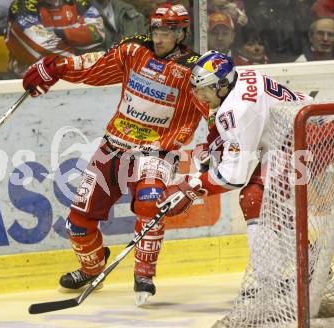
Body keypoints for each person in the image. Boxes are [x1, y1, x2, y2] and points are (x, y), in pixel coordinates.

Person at [21, 3, 208, 306]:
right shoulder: (133, 50)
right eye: (157, 30)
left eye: (168, 32)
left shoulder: (193, 70)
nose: (160, 38)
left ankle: (144, 275)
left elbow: (214, 107)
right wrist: (55, 67)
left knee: (149, 205)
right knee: (78, 223)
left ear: (182, 32)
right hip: (113, 148)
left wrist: (215, 151)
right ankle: (91, 268)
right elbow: (93, 66)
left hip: (156, 153)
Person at [157, 51, 334, 285]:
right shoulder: (237, 76)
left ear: (222, 86)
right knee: (270, 204)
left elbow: (233, 177)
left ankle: (268, 284)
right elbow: (225, 130)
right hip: (302, 131)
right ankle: (312, 267)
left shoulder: (238, 110)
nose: (199, 95)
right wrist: (211, 149)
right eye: (197, 88)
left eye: (205, 89)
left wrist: (191, 187)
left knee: (255, 197)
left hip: (309, 138)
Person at [5, 0, 105, 75]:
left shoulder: (80, 2)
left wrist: (59, 33)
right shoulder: (21, 6)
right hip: (28, 79)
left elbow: (97, 33)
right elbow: (42, 46)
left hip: (79, 75)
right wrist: (84, 60)